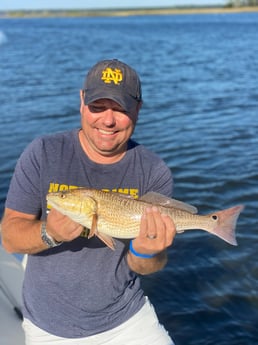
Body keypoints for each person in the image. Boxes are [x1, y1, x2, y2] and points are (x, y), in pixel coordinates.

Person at [1, 59, 176, 345]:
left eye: (120, 108)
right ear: (82, 102)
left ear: (138, 109)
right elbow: (9, 238)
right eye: (98, 106)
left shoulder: (154, 170)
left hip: (127, 319)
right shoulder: (43, 153)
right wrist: (50, 233)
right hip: (49, 327)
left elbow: (146, 265)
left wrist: (147, 253)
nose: (108, 120)